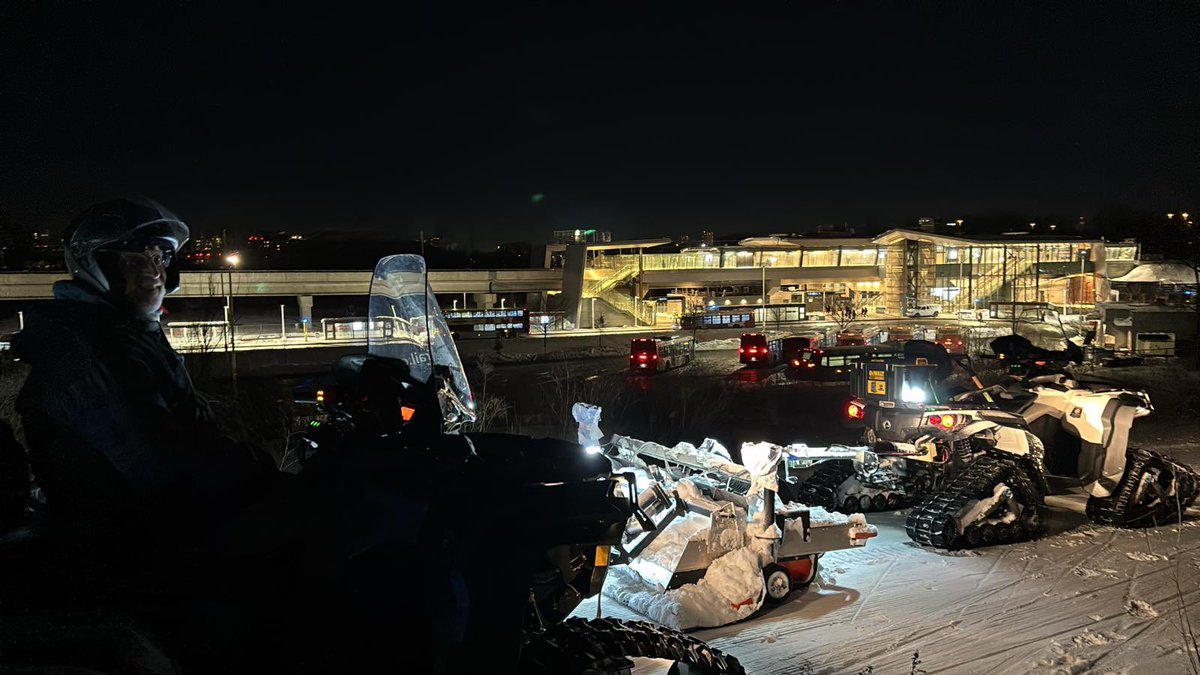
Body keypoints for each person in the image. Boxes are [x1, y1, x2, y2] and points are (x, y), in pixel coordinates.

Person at [13, 198, 274, 542]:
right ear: (99, 265)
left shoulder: (128, 334)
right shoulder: (88, 354)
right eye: (135, 256)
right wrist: (261, 471)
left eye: (160, 256)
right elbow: (165, 473)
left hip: (162, 533)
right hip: (132, 553)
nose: (154, 271)